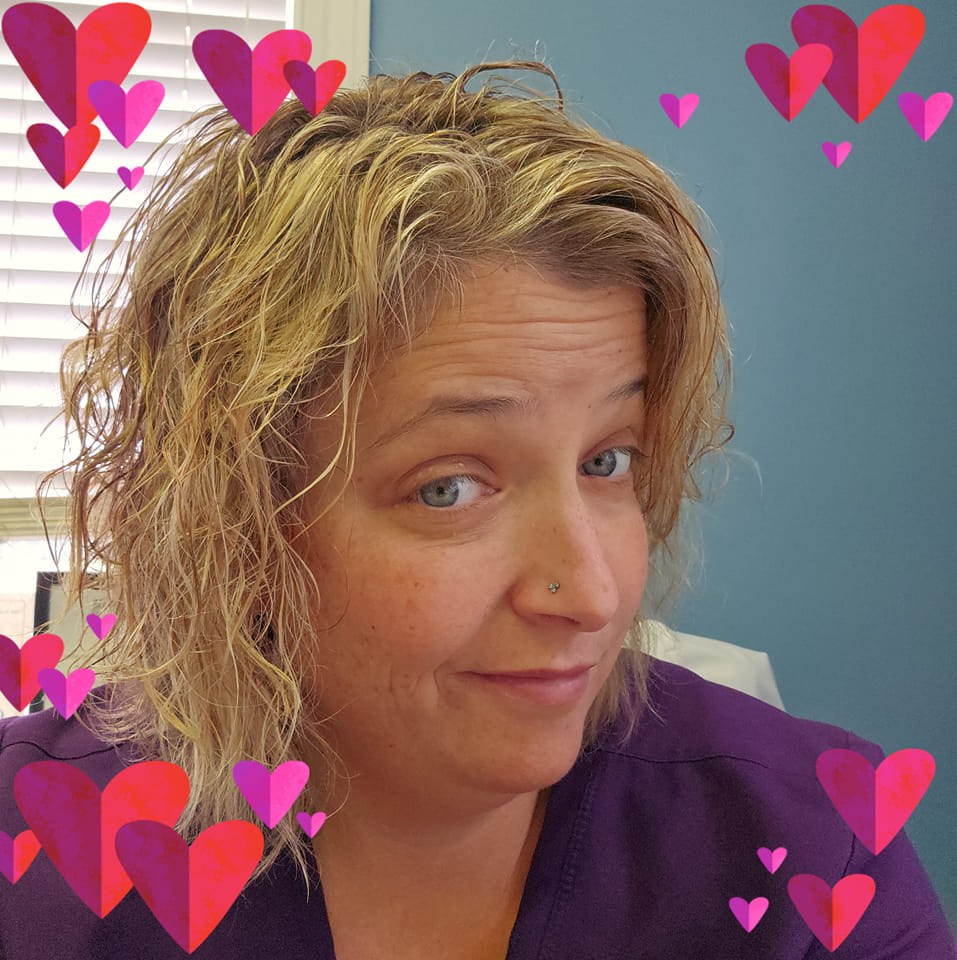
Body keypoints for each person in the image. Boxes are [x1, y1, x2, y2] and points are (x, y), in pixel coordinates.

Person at [0, 60, 953, 960]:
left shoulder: (818, 845)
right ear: (234, 523)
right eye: (448, 487)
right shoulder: (33, 852)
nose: (590, 596)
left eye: (607, 461)